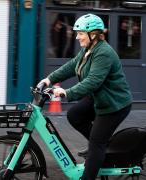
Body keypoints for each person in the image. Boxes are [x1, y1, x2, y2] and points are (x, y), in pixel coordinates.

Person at [39, 13, 132, 180]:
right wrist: (49, 79)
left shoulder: (104, 53)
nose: (76, 37)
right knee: (74, 115)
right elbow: (72, 65)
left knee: (96, 143)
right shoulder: (88, 50)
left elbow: (93, 81)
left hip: (113, 104)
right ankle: (101, 147)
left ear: (93, 34)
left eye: (80, 33)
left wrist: (67, 92)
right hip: (98, 98)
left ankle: (91, 167)